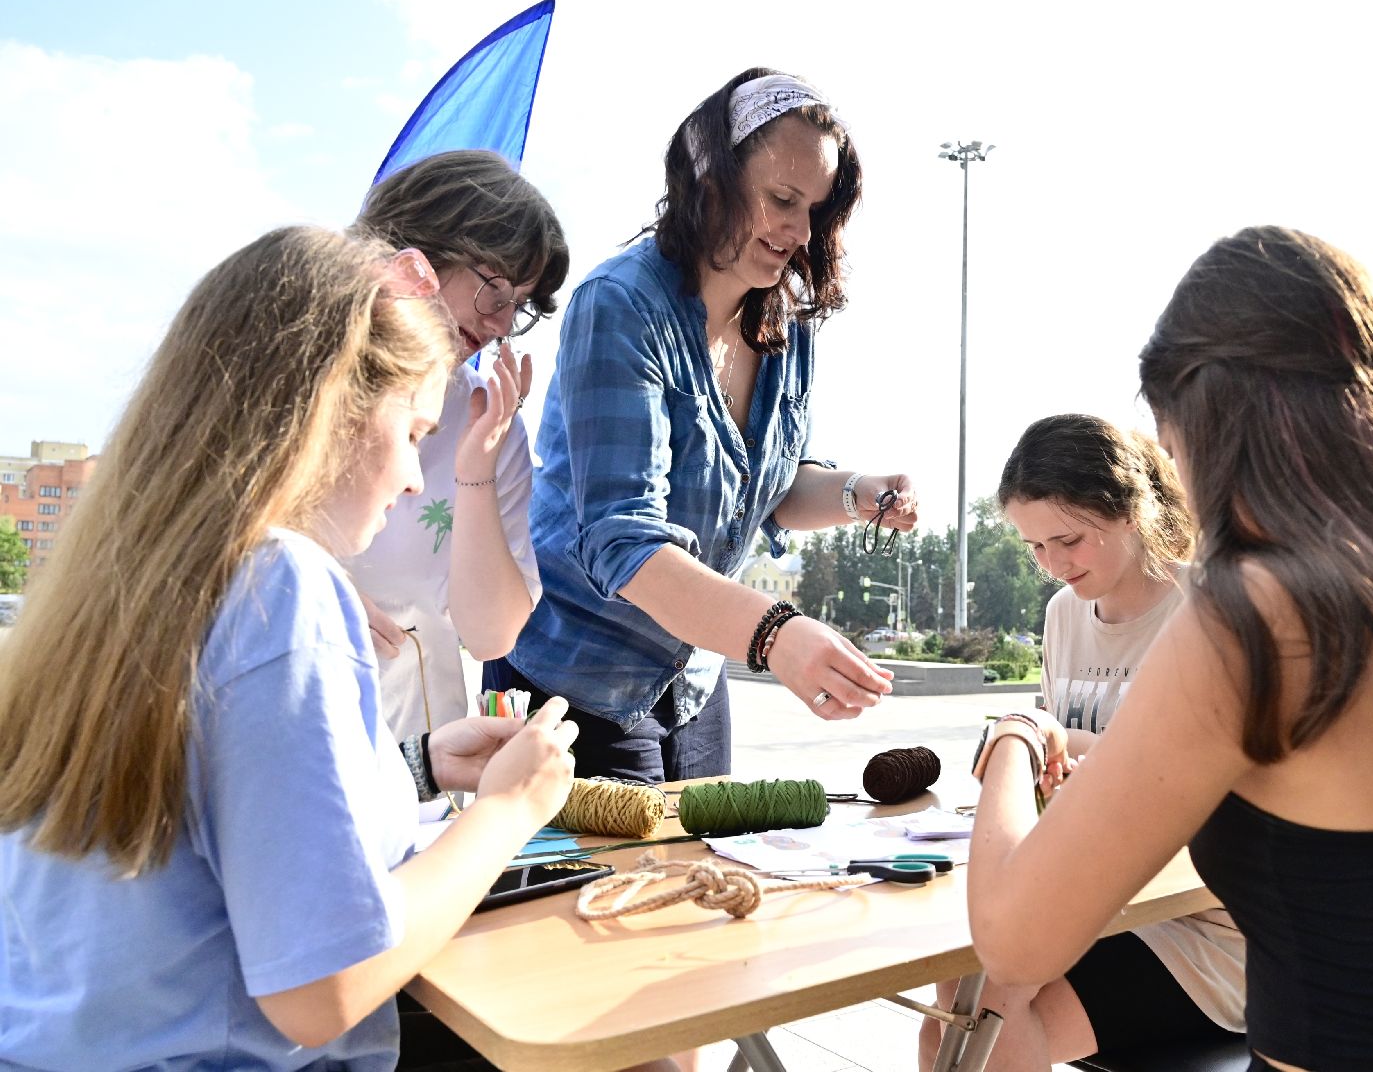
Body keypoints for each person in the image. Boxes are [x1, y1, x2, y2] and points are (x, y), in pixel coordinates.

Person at [967, 226, 1373, 1072]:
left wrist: (1015, 733)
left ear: (1216, 423)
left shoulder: (1256, 623)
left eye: (1175, 447)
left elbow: (1015, 940)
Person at [0, 227, 577, 1068]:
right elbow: (323, 989)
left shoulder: (119, 581)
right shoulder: (283, 589)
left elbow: (199, 830)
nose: (418, 478)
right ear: (331, 402)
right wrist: (506, 811)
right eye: (415, 433)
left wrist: (412, 767)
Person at [486, 67, 917, 783]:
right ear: (710, 177)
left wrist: (856, 493)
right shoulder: (620, 305)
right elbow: (624, 541)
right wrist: (776, 634)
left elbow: (763, 487)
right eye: (782, 199)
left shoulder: (787, 320)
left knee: (712, 889)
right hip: (574, 683)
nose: (798, 231)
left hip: (694, 683)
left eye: (813, 208)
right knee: (592, 898)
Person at [920, 414, 1244, 1071]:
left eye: (1068, 540)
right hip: (1100, 898)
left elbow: (1199, 786)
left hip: (1203, 924)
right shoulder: (1063, 614)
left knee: (990, 1021)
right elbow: (1058, 780)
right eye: (1035, 548)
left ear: (1130, 509)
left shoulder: (1207, 609)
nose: (1052, 566)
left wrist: (1046, 738)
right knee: (958, 999)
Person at [347, 149, 570, 741]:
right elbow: (187, 547)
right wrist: (312, 595)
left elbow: (491, 636)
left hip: (419, 758)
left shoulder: (488, 421)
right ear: (420, 250)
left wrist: (476, 469)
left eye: (517, 307)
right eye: (493, 291)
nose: (499, 324)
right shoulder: (290, 368)